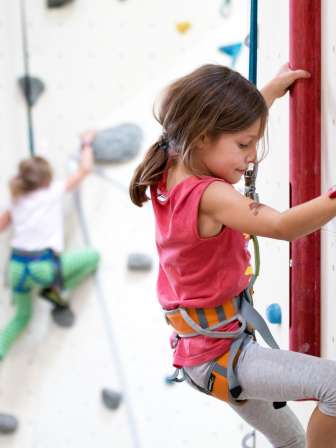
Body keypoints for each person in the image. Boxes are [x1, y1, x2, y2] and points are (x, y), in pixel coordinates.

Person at [129, 63, 336, 448]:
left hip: (204, 352)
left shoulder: (171, 162)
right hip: (224, 354)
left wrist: (268, 93)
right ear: (203, 136)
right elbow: (282, 226)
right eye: (244, 145)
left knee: (292, 442)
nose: (253, 156)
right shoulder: (210, 196)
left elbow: (218, 123)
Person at [0, 131, 100, 359]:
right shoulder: (52, 191)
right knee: (93, 257)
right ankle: (57, 289)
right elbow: (85, 170)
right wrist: (86, 143)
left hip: (16, 268)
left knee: (21, 318)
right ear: (46, 180)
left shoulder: (15, 200)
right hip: (44, 267)